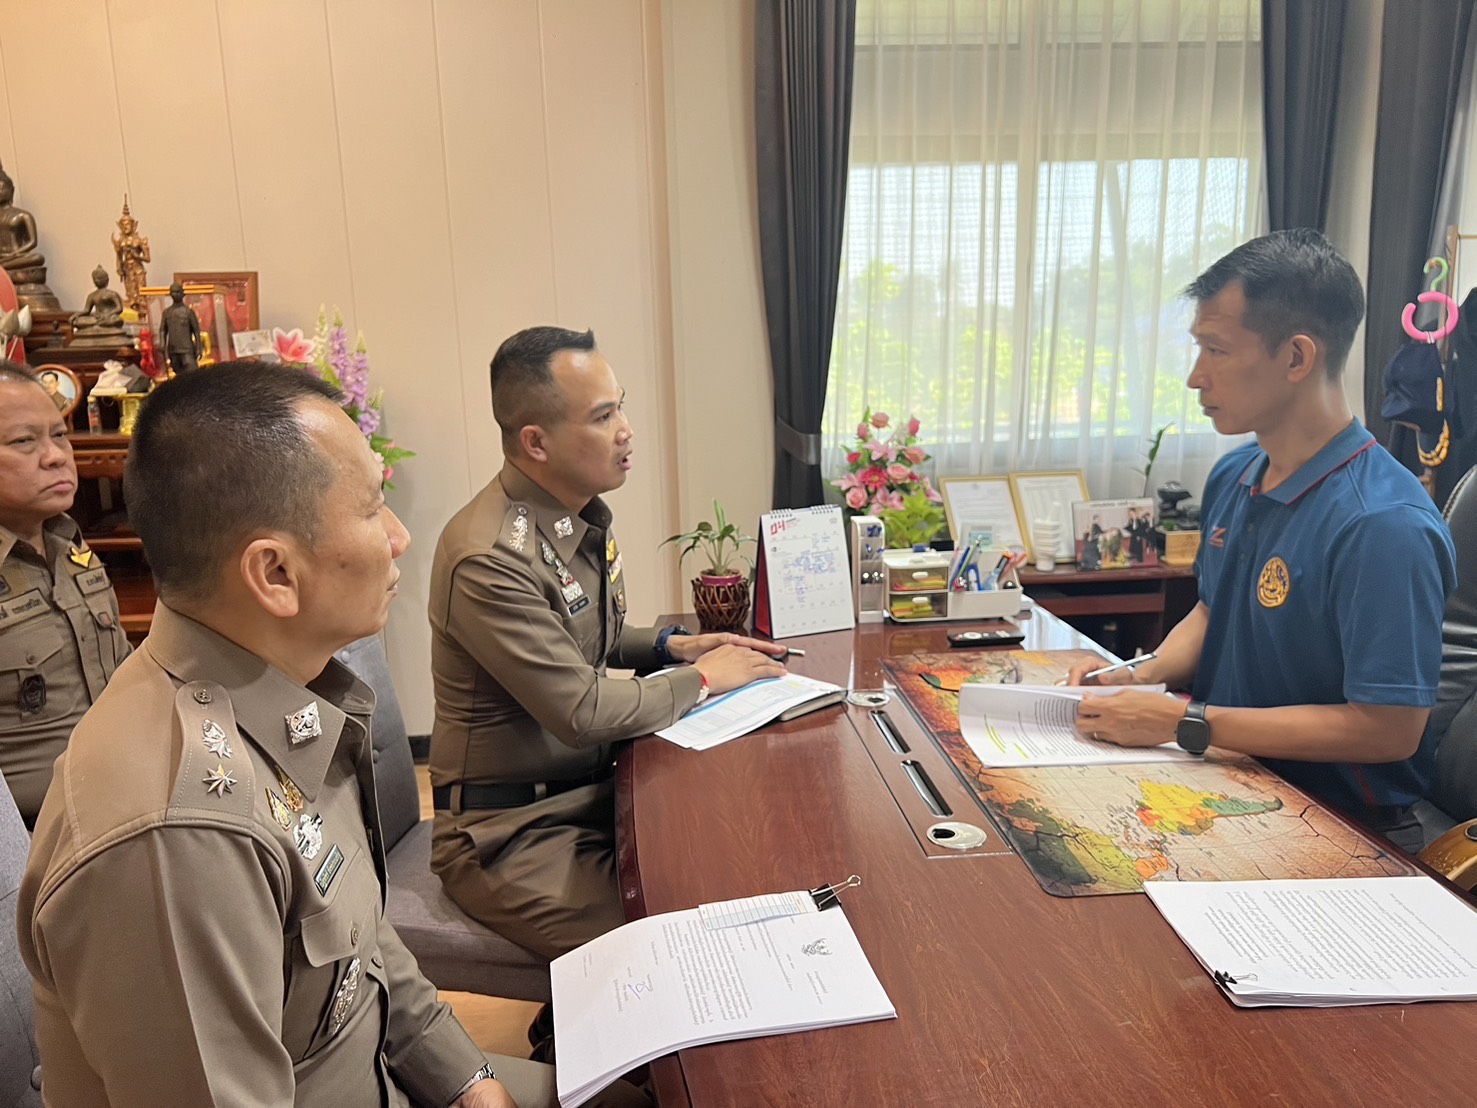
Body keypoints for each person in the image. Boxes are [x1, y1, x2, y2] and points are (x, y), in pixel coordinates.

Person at [18, 362, 646, 1107]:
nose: (400, 537)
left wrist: (468, 1081)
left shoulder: (286, 694)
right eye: (374, 508)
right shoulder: (176, 837)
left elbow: (359, 939)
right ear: (275, 573)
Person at [1069, 229, 1457, 855]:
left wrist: (1188, 722)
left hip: (1341, 825)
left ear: (1297, 358)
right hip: (1232, 781)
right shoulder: (1236, 473)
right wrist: (1135, 675)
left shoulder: (1383, 525)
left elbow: (1388, 730)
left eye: (1216, 350)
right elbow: (1214, 609)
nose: (1196, 378)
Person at [429, 326, 789, 961]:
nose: (626, 430)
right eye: (603, 416)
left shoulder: (574, 515)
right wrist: (706, 679)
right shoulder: (490, 558)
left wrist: (674, 648)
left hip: (589, 792)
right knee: (686, 944)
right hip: (511, 834)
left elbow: (589, 637)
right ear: (535, 442)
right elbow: (582, 709)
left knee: (737, 853)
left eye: (620, 406)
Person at [0, 360, 129, 826]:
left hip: (117, 805)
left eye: (59, 435)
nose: (56, 456)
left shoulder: (67, 543)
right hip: (29, 835)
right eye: (24, 441)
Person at [157, 281, 202, 374]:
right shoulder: (167, 312)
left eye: (178, 292)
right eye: (173, 292)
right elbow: (163, 330)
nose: (175, 294)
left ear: (182, 294)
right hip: (173, 349)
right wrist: (162, 343)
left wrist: (198, 348)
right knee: (177, 372)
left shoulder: (188, 312)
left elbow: (196, 331)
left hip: (187, 349)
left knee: (192, 371)